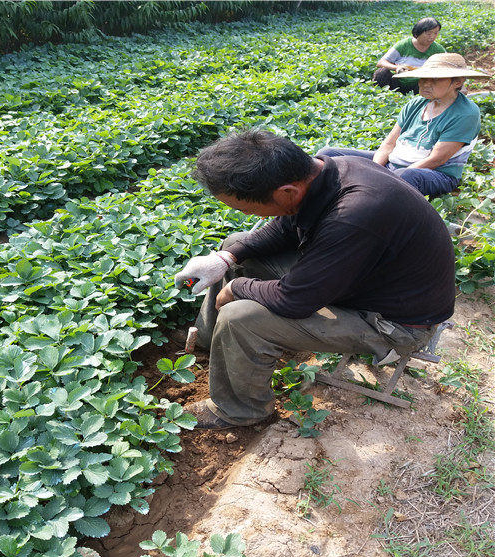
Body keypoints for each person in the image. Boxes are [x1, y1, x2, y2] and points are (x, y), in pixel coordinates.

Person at [174, 130, 455, 430]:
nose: (245, 212)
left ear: (286, 192)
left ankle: (240, 410)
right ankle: (207, 338)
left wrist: (237, 287)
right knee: (237, 244)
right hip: (364, 280)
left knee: (240, 317)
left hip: (393, 323)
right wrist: (225, 259)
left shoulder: (354, 214)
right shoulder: (328, 171)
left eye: (245, 208)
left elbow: (296, 299)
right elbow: (283, 230)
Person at [320, 53, 487, 198]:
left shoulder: (466, 113)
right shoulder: (416, 103)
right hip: (393, 164)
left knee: (406, 175)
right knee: (328, 154)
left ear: (457, 82)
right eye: (424, 78)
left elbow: (436, 160)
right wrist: (374, 171)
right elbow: (389, 144)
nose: (425, 83)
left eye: (435, 79)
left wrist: (387, 176)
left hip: (434, 173)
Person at [373, 17, 445, 94]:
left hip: (420, 85)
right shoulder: (403, 45)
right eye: (429, 33)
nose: (432, 36)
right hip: (398, 83)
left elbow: (448, 67)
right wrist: (397, 67)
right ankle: (383, 96)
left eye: (436, 33)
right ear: (418, 32)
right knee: (381, 73)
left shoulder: (438, 49)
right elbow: (381, 62)